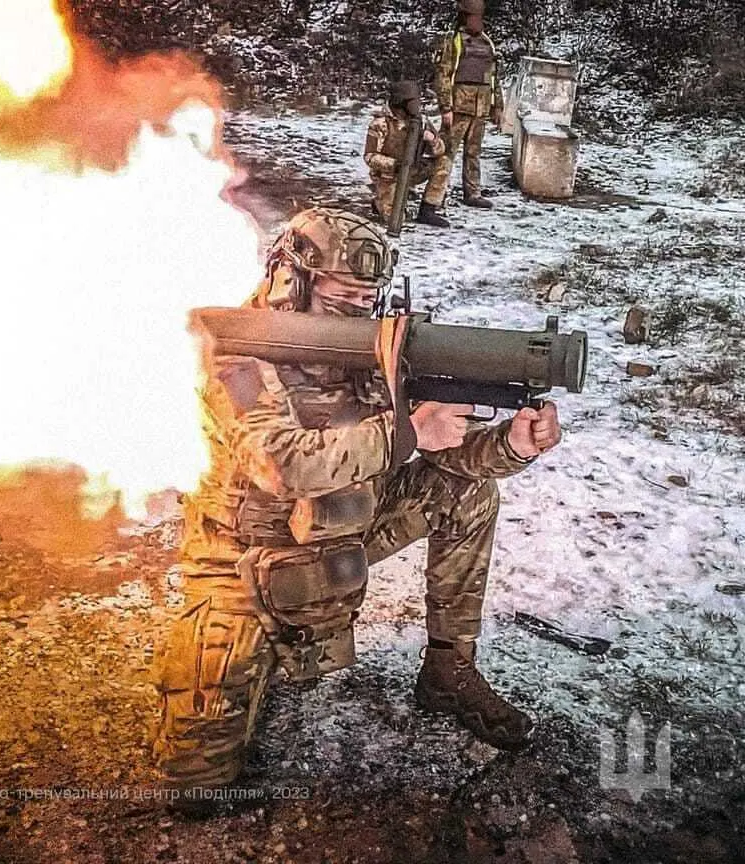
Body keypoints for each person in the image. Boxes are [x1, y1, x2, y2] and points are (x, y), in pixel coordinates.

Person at [152, 208, 563, 806]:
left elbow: (444, 457)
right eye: (342, 299)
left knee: (468, 493)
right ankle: (247, 652)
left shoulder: (370, 348)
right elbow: (282, 464)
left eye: (366, 301)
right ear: (292, 281)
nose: (357, 313)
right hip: (251, 561)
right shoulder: (237, 355)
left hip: (344, 528)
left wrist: (511, 444)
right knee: (195, 786)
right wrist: (407, 433)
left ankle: (449, 671)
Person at [429, 0, 504, 209]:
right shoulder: (454, 41)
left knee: (474, 152)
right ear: (465, 17)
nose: (479, 22)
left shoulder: (488, 43)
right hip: (458, 107)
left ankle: (472, 193)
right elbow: (443, 75)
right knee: (446, 152)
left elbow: (493, 77)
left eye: (480, 17)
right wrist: (445, 107)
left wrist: (497, 105)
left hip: (480, 108)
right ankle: (436, 195)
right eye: (475, 17)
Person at [364, 80, 451, 229]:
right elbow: (369, 156)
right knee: (397, 219)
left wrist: (432, 140)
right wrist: (394, 165)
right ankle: (379, 202)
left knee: (444, 162)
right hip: (388, 176)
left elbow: (440, 150)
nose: (416, 106)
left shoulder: (421, 122)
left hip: (412, 170)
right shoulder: (381, 123)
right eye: (413, 102)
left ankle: (428, 209)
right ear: (401, 102)